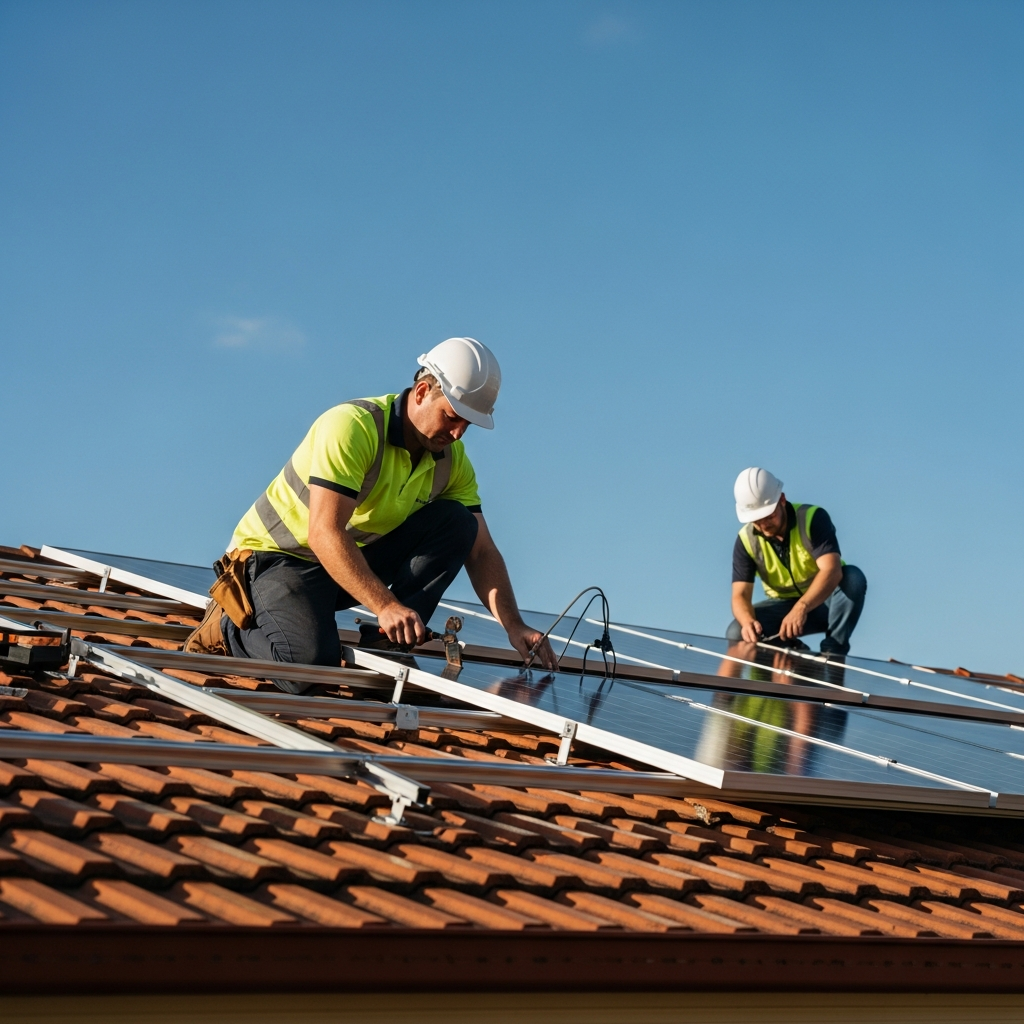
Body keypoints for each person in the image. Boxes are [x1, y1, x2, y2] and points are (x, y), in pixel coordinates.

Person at [186, 337, 557, 689]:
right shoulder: (353, 427)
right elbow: (324, 533)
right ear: (423, 392)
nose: (458, 434)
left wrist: (513, 624)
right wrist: (386, 604)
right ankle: (228, 627)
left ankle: (388, 643)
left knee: (458, 523)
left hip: (343, 564)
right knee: (310, 670)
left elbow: (481, 551)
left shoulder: (451, 462)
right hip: (275, 561)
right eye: (451, 417)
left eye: (467, 425)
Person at [726, 467, 867, 656]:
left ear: (782, 500)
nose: (764, 525)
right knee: (736, 631)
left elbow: (832, 571)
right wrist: (747, 622)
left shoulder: (812, 518)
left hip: (827, 604)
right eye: (757, 521)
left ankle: (832, 655)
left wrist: (801, 607)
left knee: (853, 578)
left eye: (769, 516)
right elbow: (740, 595)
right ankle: (789, 653)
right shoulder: (746, 541)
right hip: (782, 611)